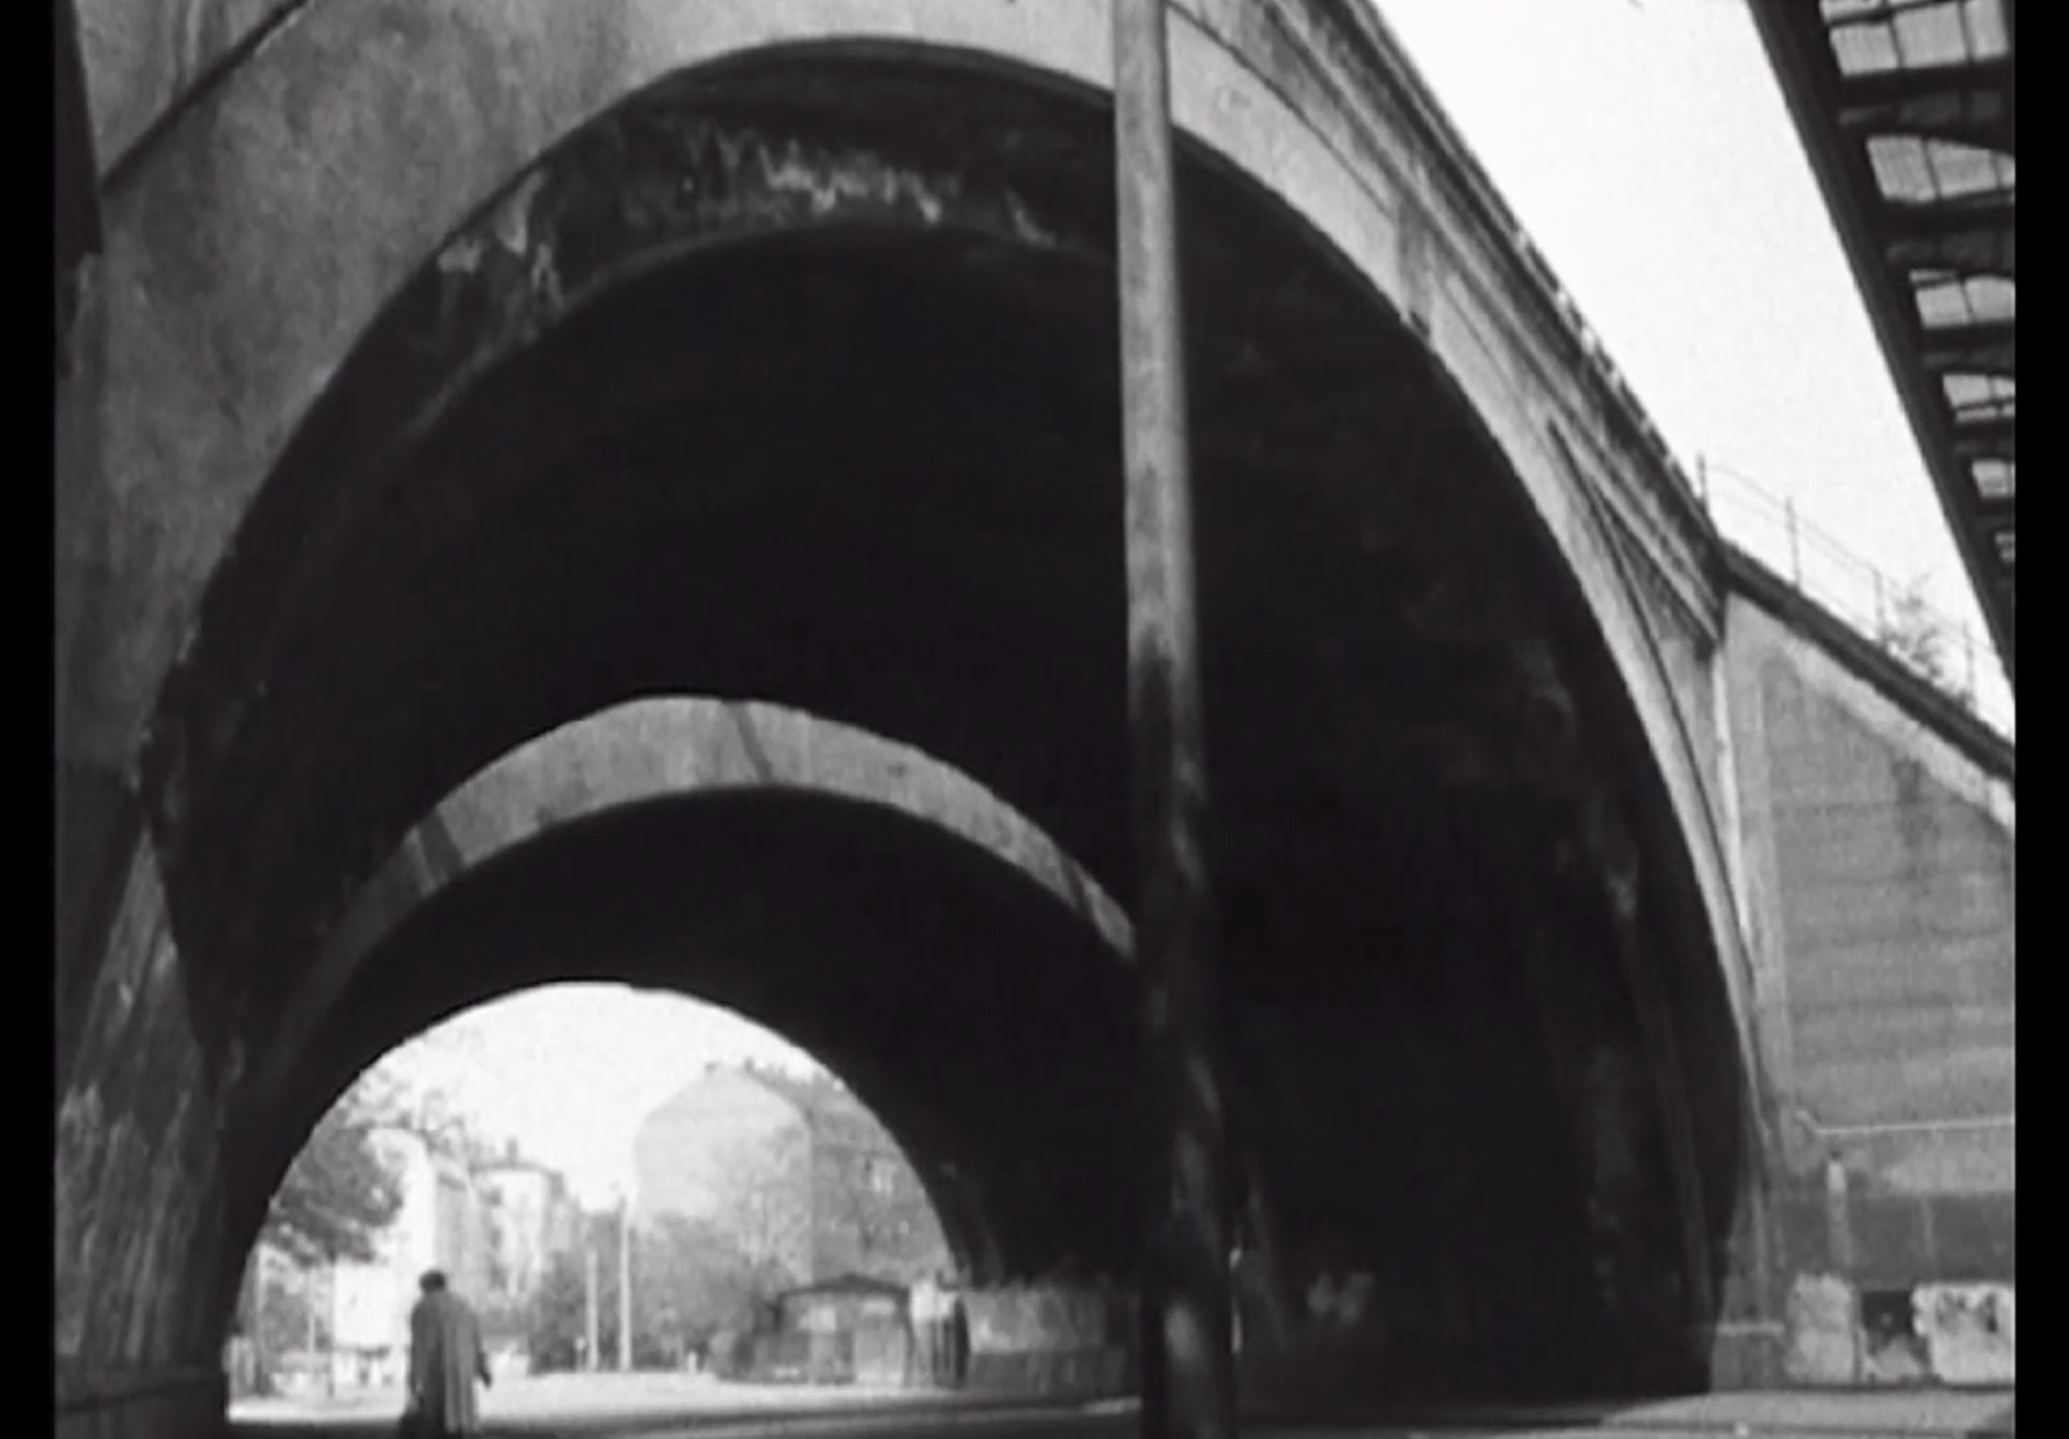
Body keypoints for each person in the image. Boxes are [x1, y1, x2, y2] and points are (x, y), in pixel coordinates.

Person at [403, 1270, 491, 1438]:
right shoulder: (463, 1305)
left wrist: (414, 1379)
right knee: (462, 1413)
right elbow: (476, 1340)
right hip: (463, 1367)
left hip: (437, 1369)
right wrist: (482, 1368)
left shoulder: (423, 1307)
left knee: (437, 1417)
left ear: (427, 1286)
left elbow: (420, 1345)